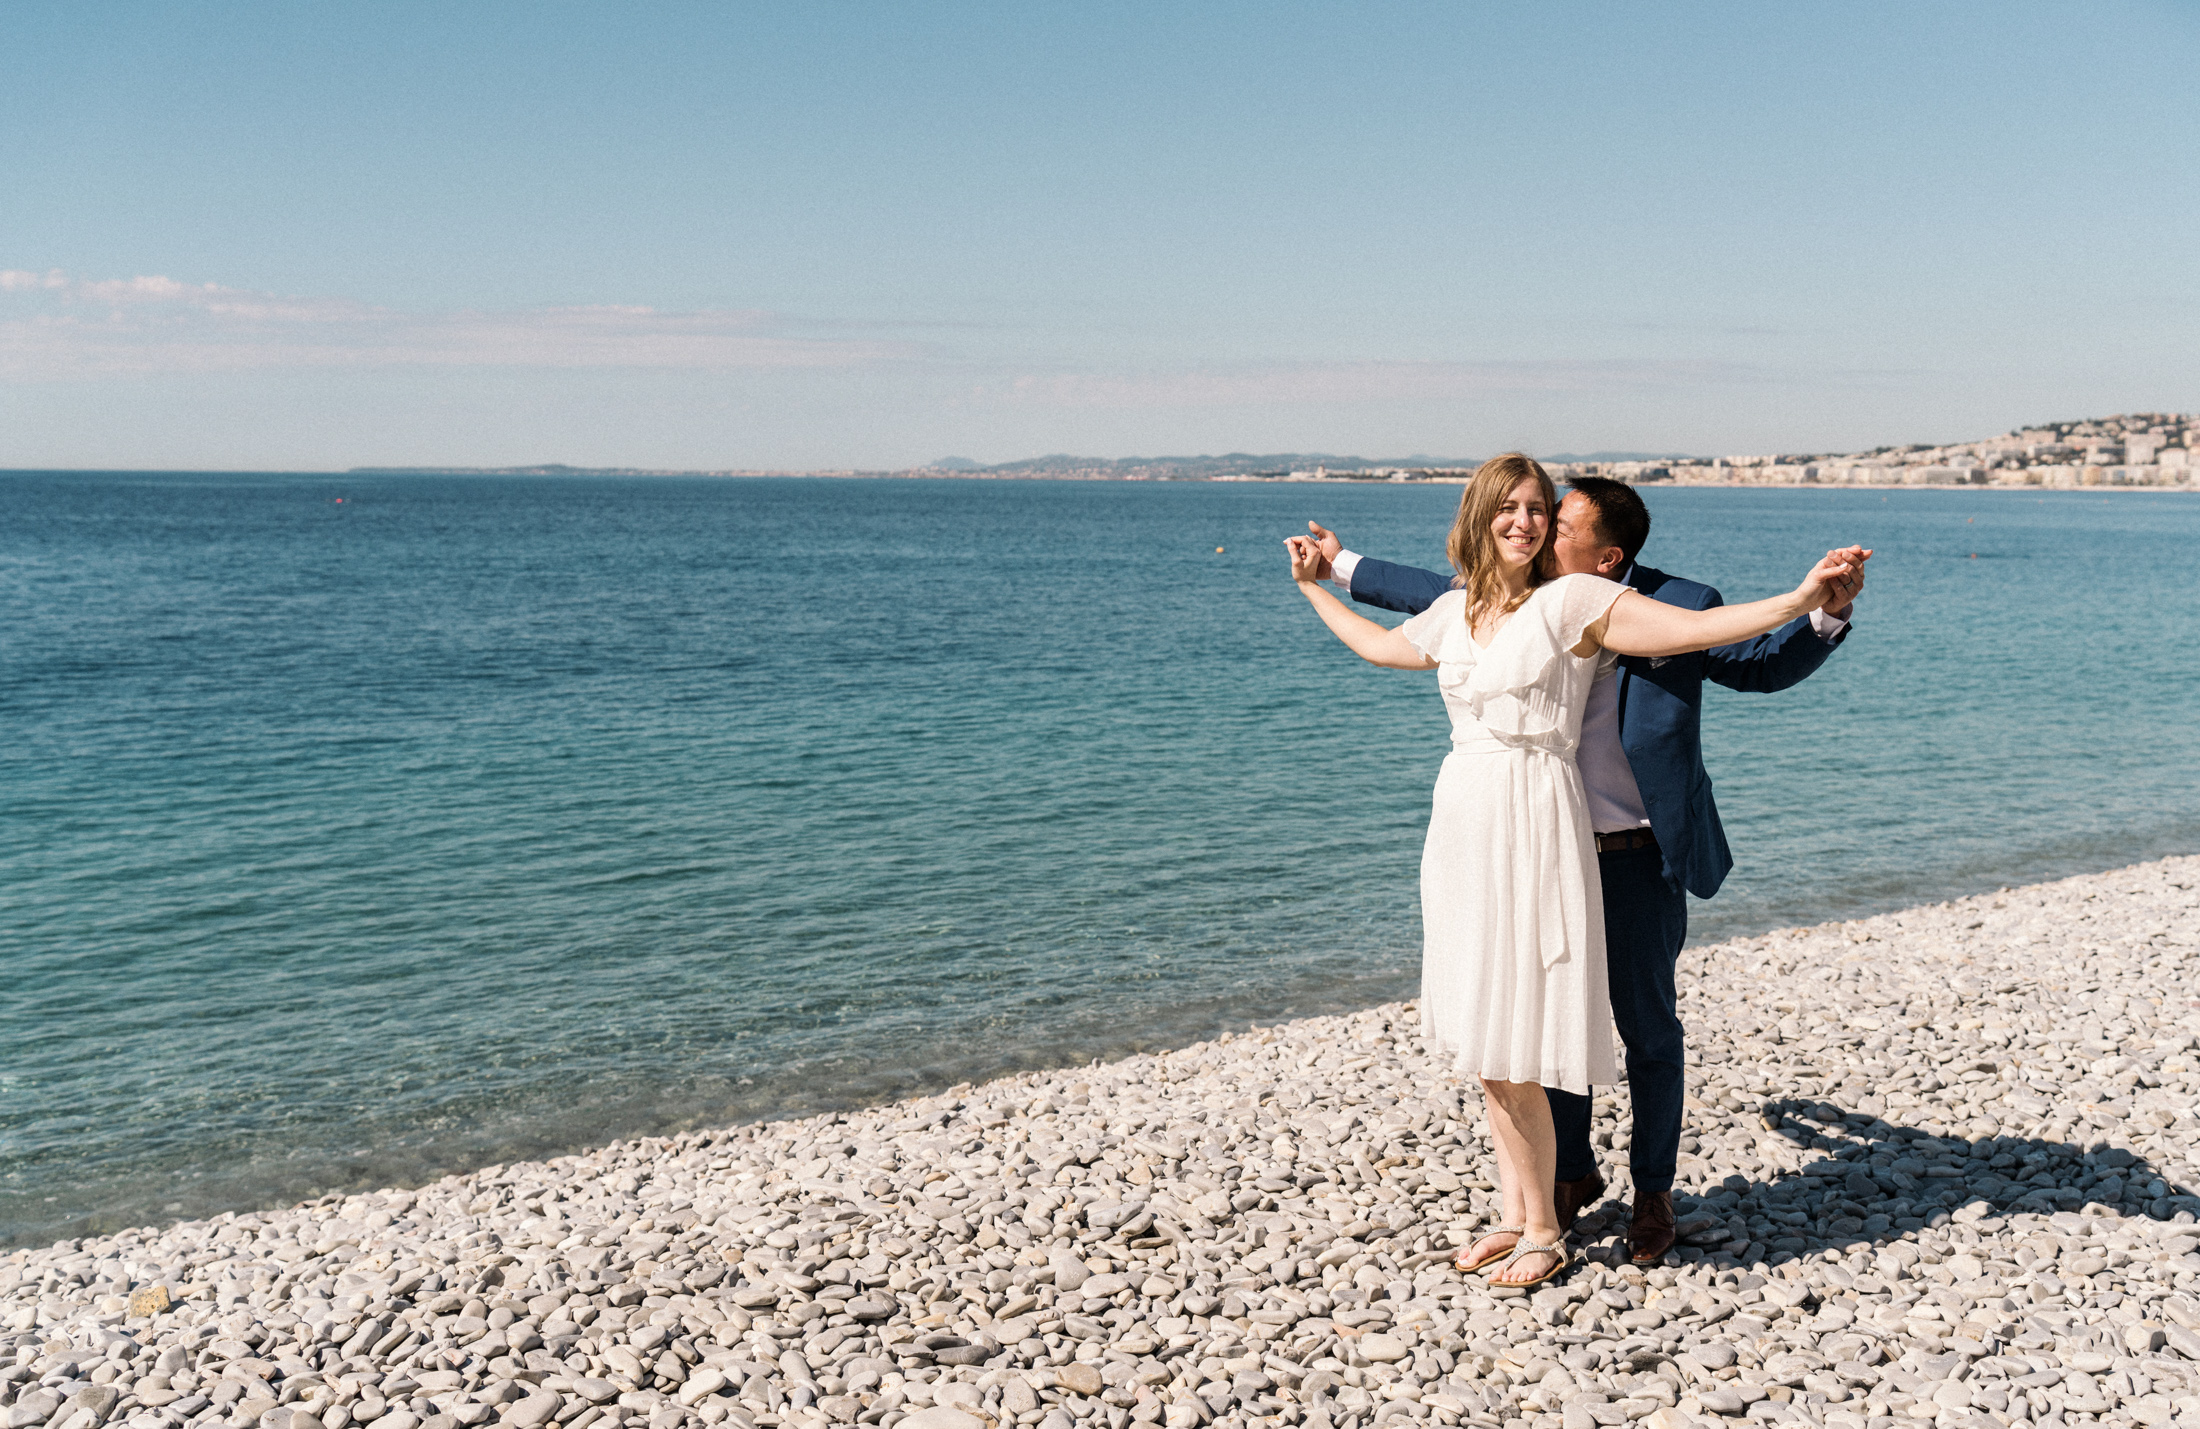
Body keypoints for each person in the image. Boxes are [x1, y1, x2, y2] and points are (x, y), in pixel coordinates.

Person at [1282, 454, 1866, 1286]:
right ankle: (1549, 1192)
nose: (1535, 528)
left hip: (1619, 848)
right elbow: (1408, 618)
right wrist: (1329, 570)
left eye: (1553, 520)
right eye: (1523, 513)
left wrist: (1812, 605)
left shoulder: (1625, 602)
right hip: (1490, 838)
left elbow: (1740, 653)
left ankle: (1646, 1196)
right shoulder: (1485, 599)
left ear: (1605, 559)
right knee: (1519, 1029)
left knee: (1638, 1032)